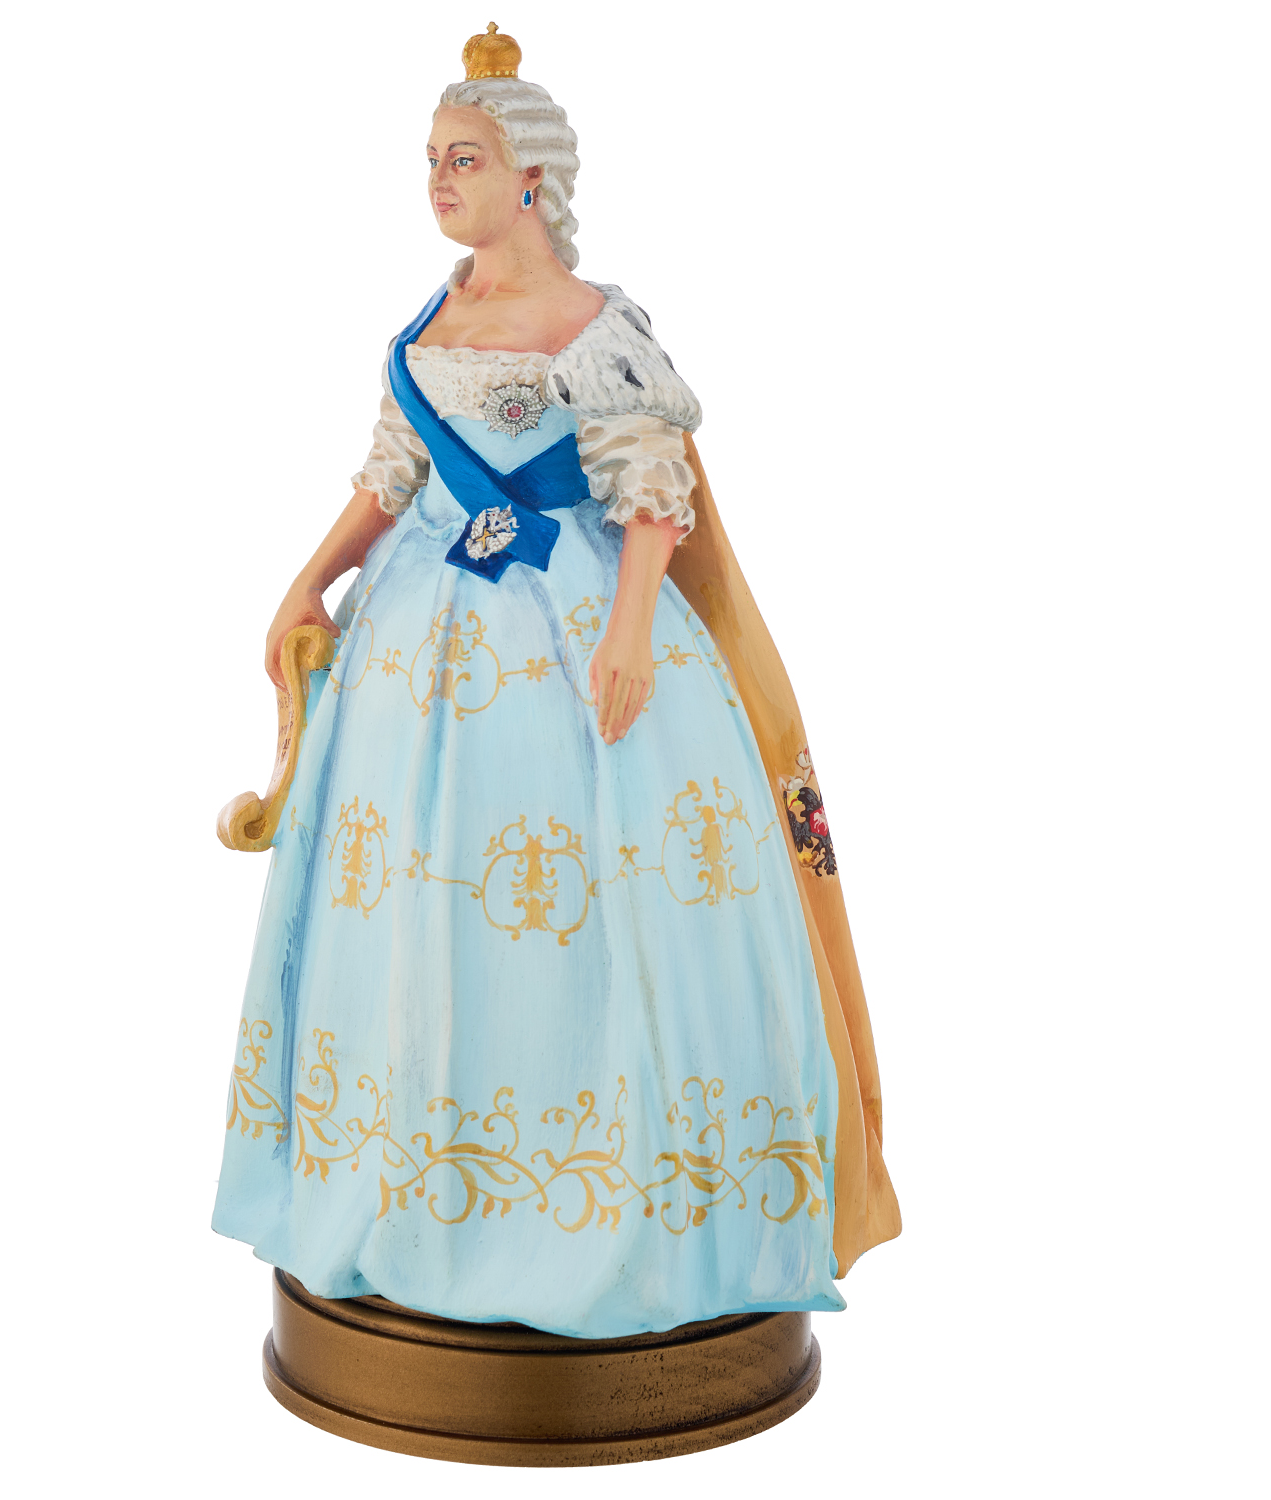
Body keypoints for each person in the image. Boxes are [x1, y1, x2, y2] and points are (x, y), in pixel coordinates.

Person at [212, 25, 900, 1340]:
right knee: (410, 895)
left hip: (572, 627)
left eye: (463, 159)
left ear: (532, 177)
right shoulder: (429, 323)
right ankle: (413, 1185)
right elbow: (391, 474)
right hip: (417, 642)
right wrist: (309, 579)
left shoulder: (597, 326)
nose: (438, 180)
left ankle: (616, 1208)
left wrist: (629, 631)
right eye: (430, 158)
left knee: (601, 897)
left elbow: (653, 488)